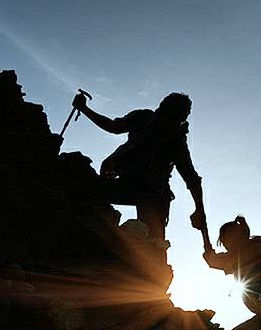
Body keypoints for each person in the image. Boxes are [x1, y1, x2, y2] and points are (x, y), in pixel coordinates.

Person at [70, 91, 206, 242]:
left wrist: (199, 209)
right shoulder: (142, 118)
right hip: (127, 184)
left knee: (153, 244)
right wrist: (84, 108)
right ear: (160, 111)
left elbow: (191, 178)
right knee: (86, 191)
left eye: (176, 121)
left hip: (154, 194)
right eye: (169, 118)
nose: (168, 126)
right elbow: (113, 126)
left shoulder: (176, 142)